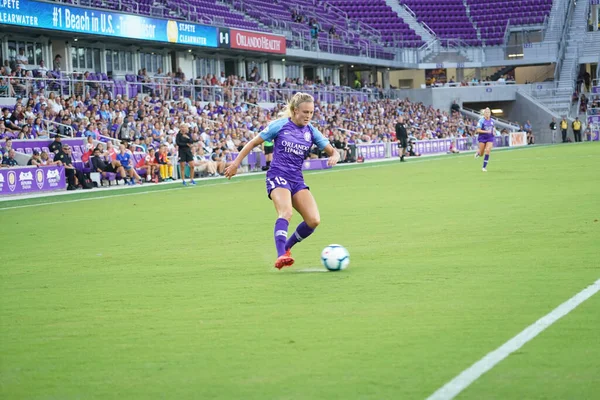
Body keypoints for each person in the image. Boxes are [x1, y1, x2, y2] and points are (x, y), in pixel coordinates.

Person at [224, 92, 340, 269]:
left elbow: (333, 151)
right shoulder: (280, 126)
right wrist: (235, 164)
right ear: (295, 111)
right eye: (305, 112)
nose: (308, 116)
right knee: (286, 212)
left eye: (311, 112)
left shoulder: (311, 131)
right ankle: (280, 255)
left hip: (296, 179)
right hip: (277, 175)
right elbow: (252, 143)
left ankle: (286, 247)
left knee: (313, 220)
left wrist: (336, 155)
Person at [474, 107, 495, 172]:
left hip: (490, 138)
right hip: (482, 138)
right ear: (484, 113)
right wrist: (486, 131)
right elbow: (478, 130)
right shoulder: (481, 121)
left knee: (488, 150)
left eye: (488, 112)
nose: (487, 113)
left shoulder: (492, 121)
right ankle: (478, 152)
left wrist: (494, 131)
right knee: (481, 154)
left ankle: (484, 167)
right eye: (486, 112)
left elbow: (493, 128)